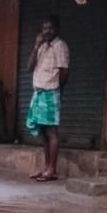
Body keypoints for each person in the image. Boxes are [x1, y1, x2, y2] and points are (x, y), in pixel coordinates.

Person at [26, 16, 69, 182]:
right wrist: (36, 46)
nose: (47, 31)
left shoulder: (60, 46)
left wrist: (57, 89)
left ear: (57, 29)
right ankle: (46, 168)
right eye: (44, 28)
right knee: (44, 132)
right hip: (38, 92)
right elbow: (29, 67)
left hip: (51, 92)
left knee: (51, 131)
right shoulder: (42, 47)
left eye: (50, 28)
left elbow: (64, 71)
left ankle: (52, 169)